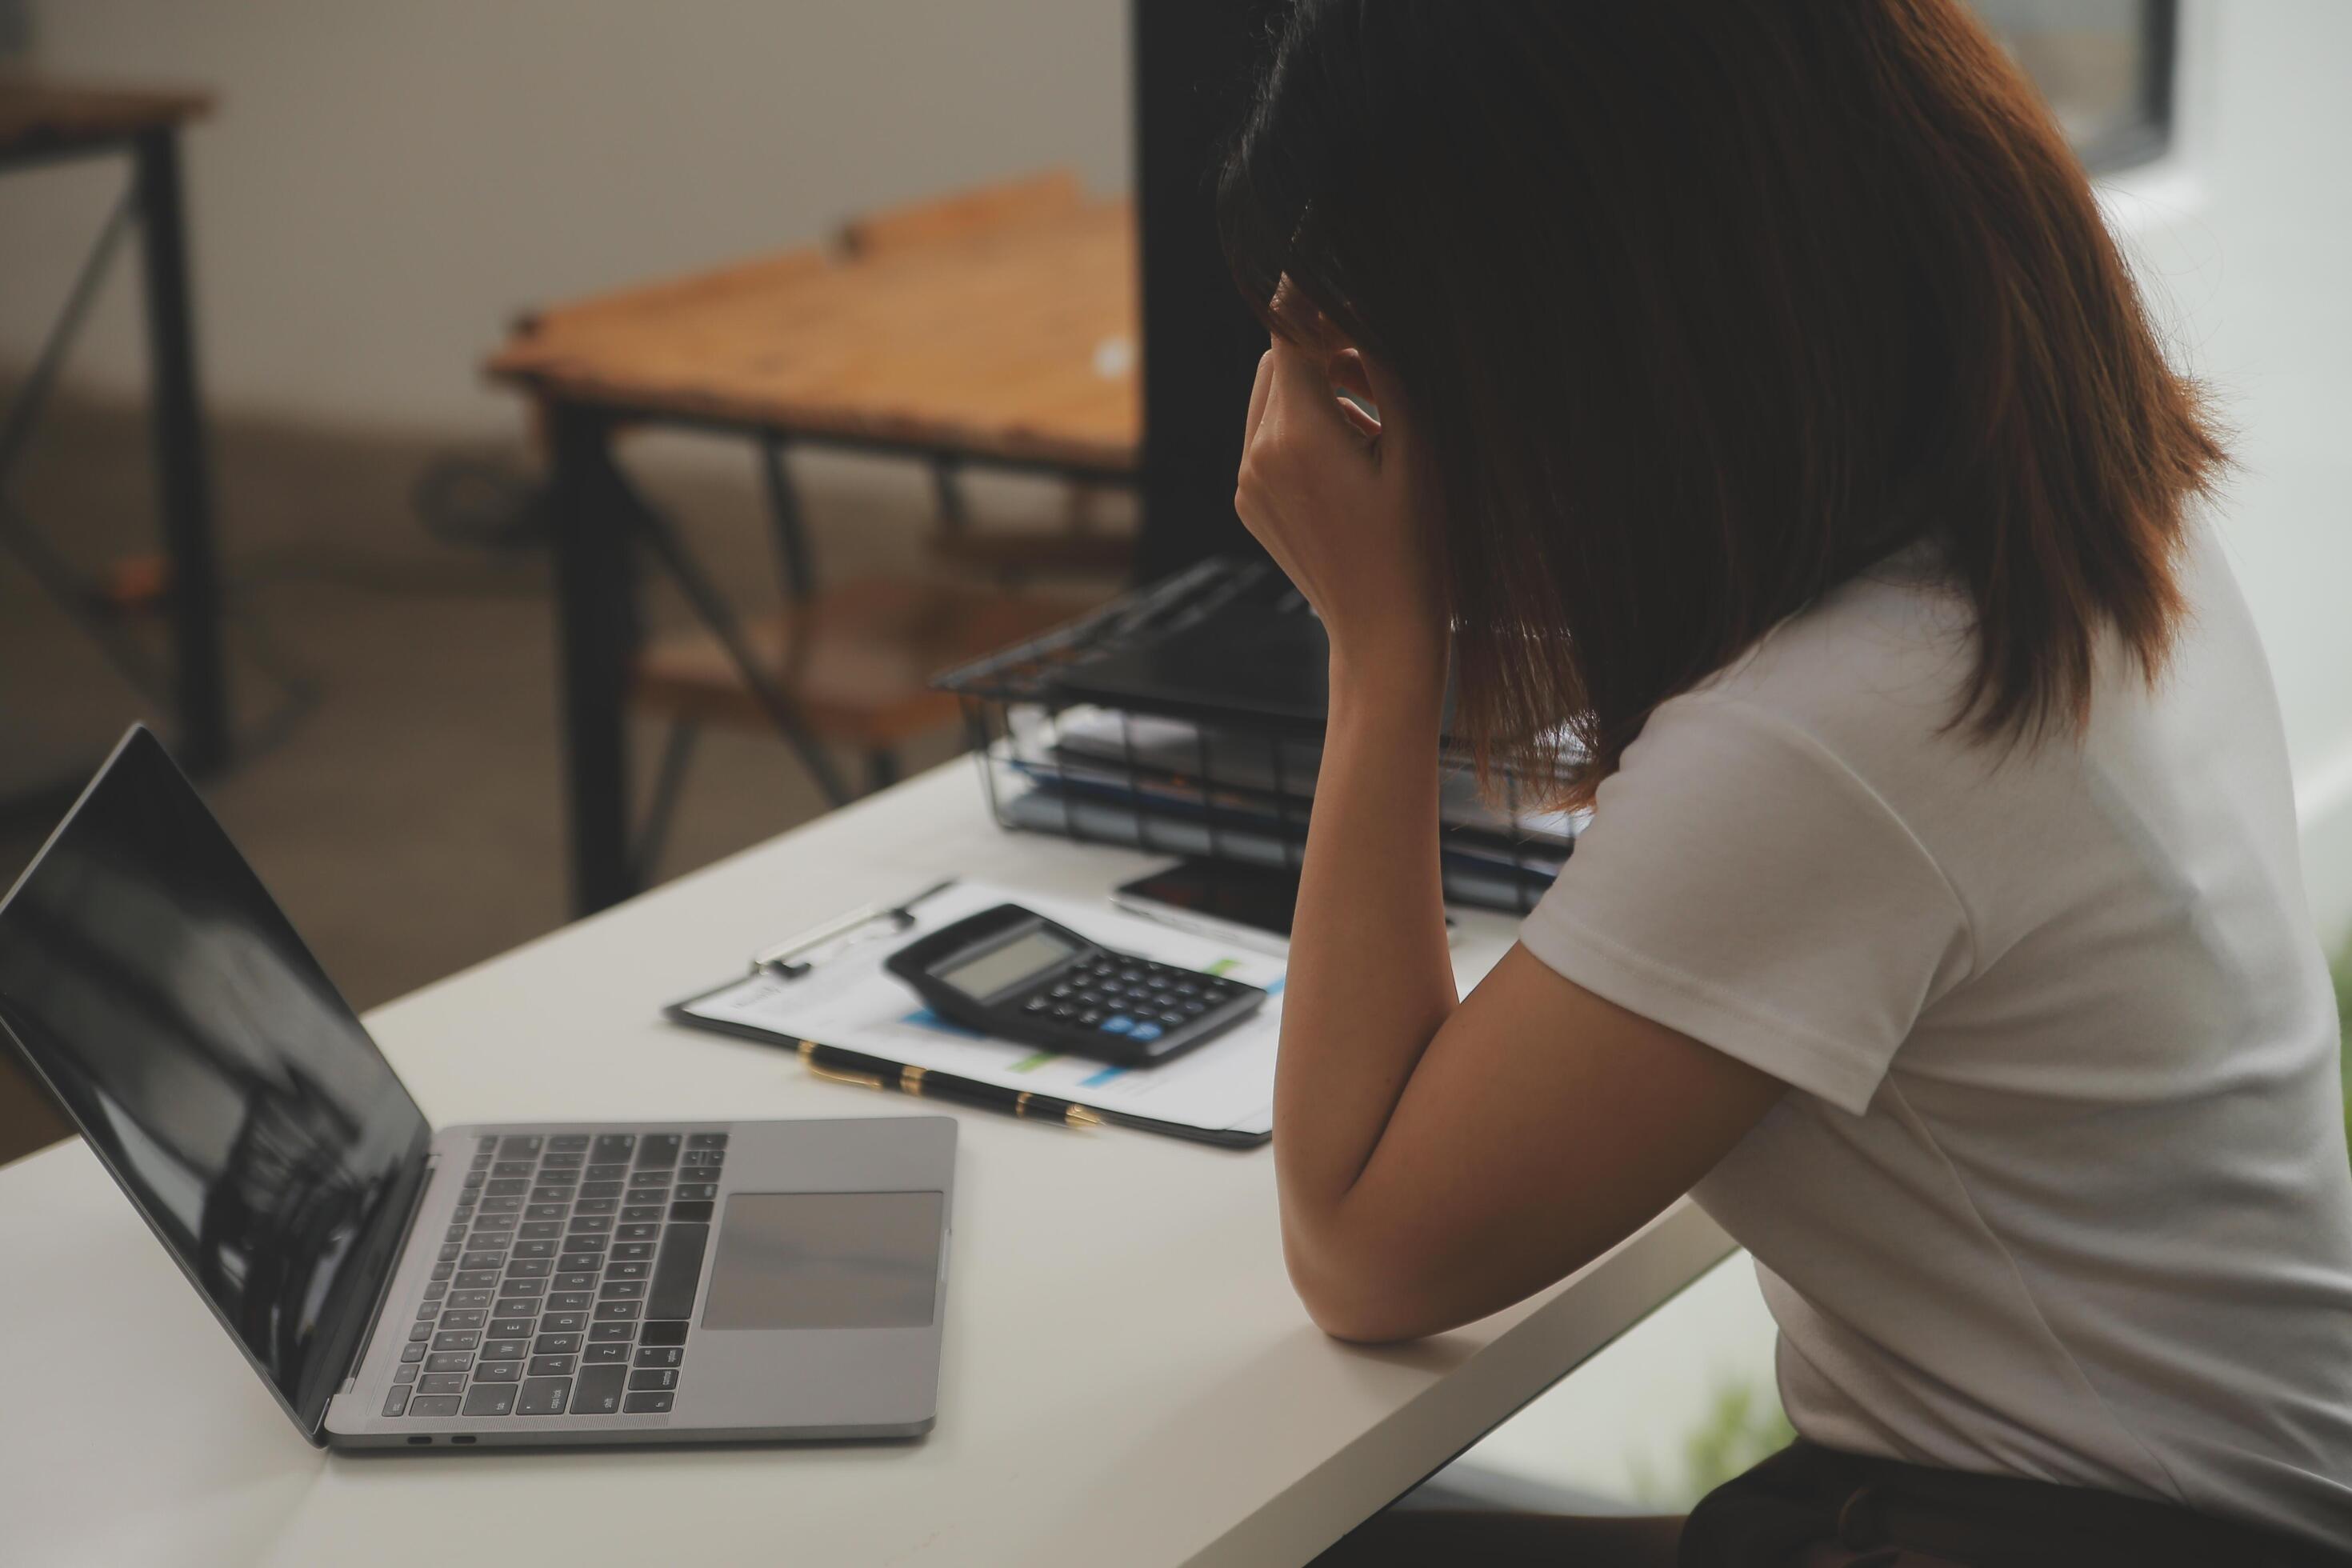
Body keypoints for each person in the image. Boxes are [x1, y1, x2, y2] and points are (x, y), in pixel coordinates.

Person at [1215, 2, 2352, 1563]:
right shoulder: (2051, 520)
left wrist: (1380, 647)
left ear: (1586, 318)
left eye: (1398, 359)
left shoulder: (1854, 719)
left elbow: (1361, 1243)